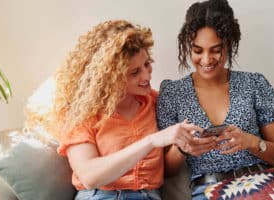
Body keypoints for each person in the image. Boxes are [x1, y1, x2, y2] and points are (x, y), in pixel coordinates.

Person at [52, 20, 199, 200]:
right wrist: (151, 141)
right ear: (110, 78)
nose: (147, 75)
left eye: (147, 64)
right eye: (134, 72)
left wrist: (181, 146)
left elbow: (167, 172)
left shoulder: (156, 102)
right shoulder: (83, 112)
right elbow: (90, 177)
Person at [156, 0, 274, 199]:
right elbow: (166, 171)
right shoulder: (172, 93)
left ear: (230, 44)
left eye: (216, 50)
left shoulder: (254, 84)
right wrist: (183, 148)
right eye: (198, 50)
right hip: (210, 190)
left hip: (264, 183)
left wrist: (252, 142)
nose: (207, 59)